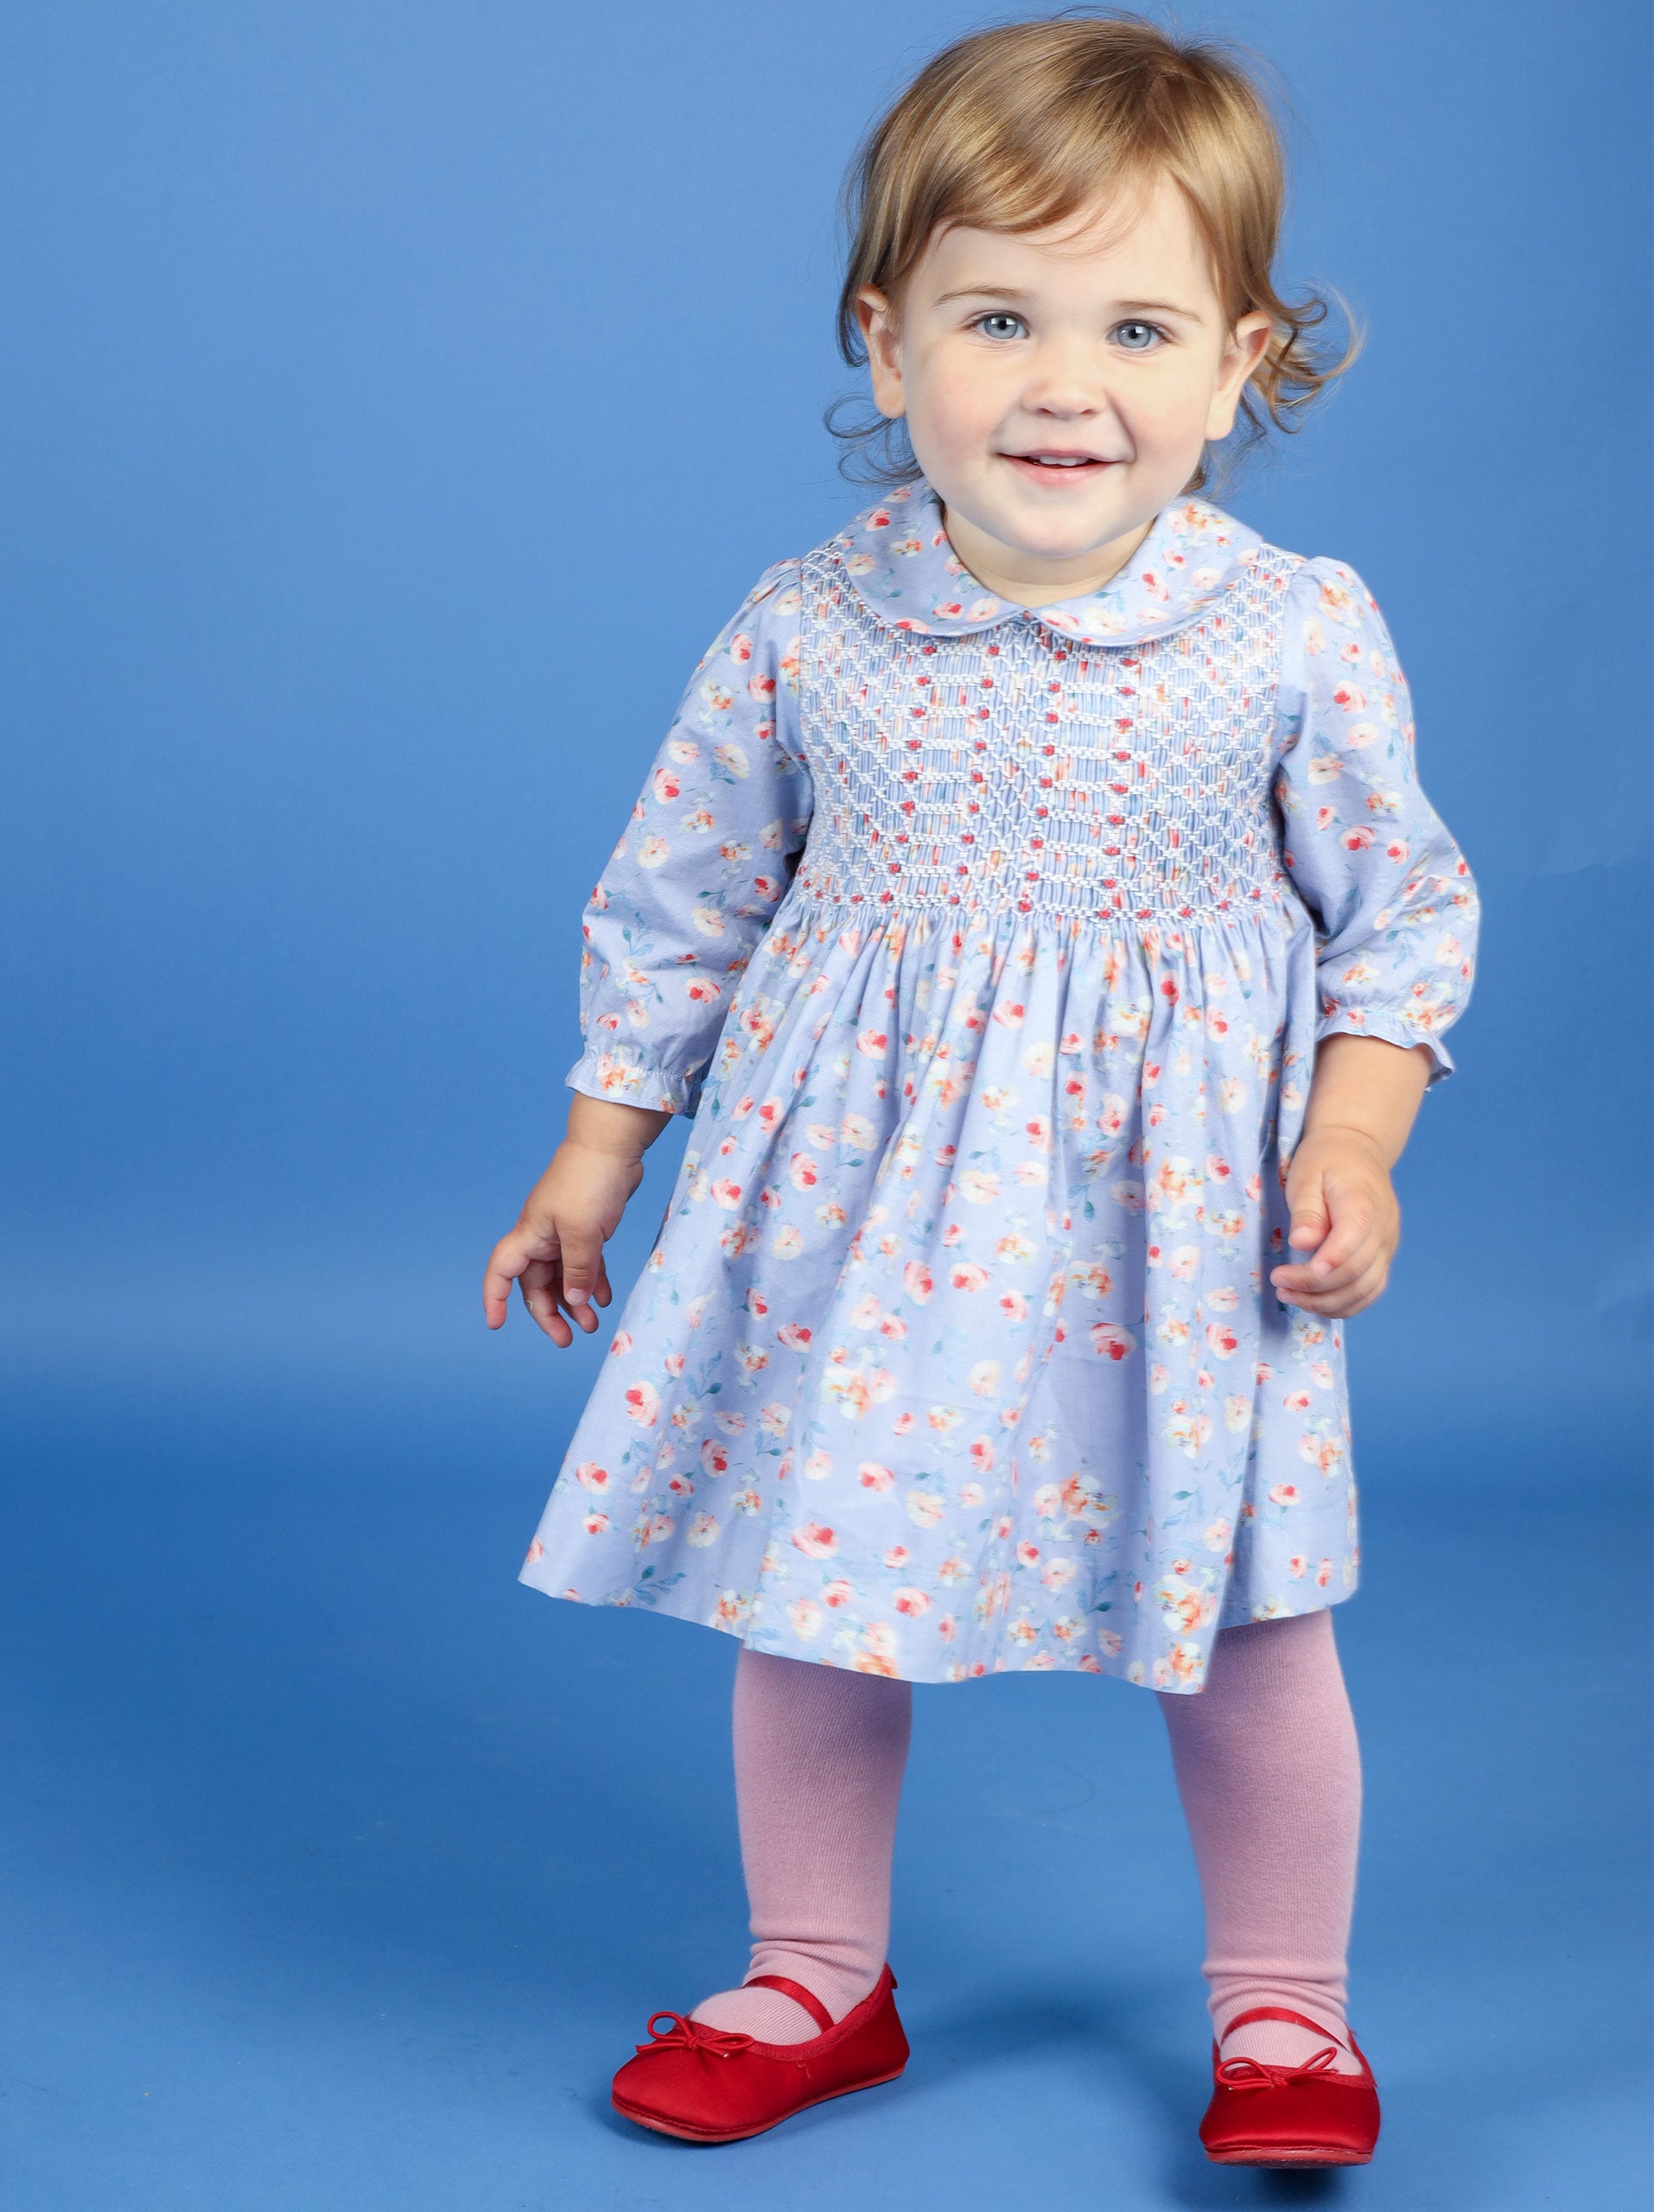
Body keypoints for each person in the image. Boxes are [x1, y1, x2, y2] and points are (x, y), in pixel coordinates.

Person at [484, 10, 1479, 2169]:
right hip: (853, 1201)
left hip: (1175, 1222)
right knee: (816, 1590)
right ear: (885, 339)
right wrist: (593, 1154)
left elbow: (1400, 917)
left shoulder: (1291, 629)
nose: (1063, 380)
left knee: (1242, 1615)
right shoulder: (806, 627)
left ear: (1239, 366)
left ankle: (1285, 2015)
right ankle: (813, 1973)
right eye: (994, 314)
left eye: (1137, 323)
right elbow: (678, 899)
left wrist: (1353, 1135)